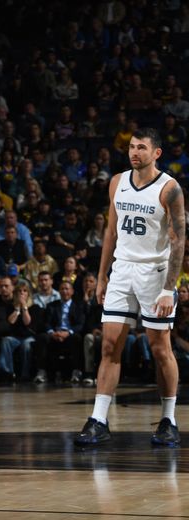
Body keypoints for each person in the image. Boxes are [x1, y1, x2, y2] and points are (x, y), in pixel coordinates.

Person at [75, 129, 184, 447]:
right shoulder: (117, 182)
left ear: (156, 153)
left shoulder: (170, 188)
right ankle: (98, 419)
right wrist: (103, 274)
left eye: (141, 148)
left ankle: (169, 419)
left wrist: (169, 288)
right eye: (131, 147)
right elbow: (111, 230)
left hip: (155, 273)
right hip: (122, 270)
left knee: (160, 348)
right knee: (109, 346)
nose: (134, 152)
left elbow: (178, 242)